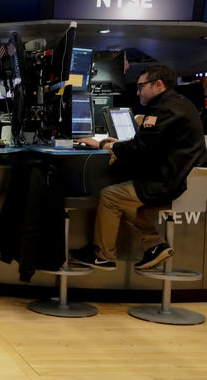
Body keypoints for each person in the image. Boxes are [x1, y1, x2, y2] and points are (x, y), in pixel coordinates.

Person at [72, 64, 207, 271]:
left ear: (158, 84)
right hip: (177, 178)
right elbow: (149, 145)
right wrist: (119, 145)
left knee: (110, 196)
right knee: (123, 197)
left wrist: (104, 145)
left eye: (141, 86)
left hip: (168, 182)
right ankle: (154, 245)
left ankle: (102, 255)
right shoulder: (179, 104)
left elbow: (141, 149)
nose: (137, 92)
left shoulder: (163, 110)